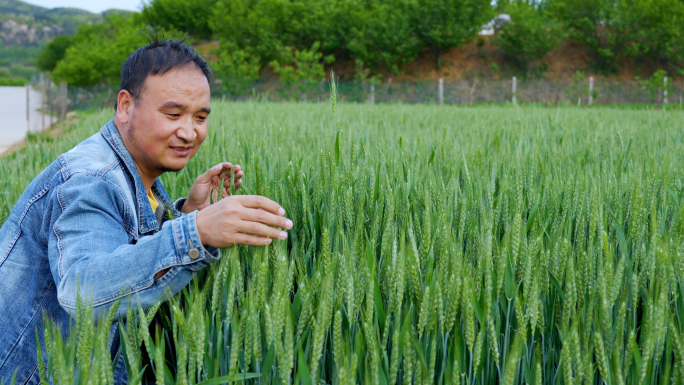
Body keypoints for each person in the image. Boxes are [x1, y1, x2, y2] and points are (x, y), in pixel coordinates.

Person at [0, 35, 292, 384]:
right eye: (173, 113)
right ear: (125, 105)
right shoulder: (90, 179)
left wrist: (188, 212)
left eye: (200, 116)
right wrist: (195, 232)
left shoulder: (139, 171)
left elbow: (121, 245)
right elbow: (84, 289)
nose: (189, 132)